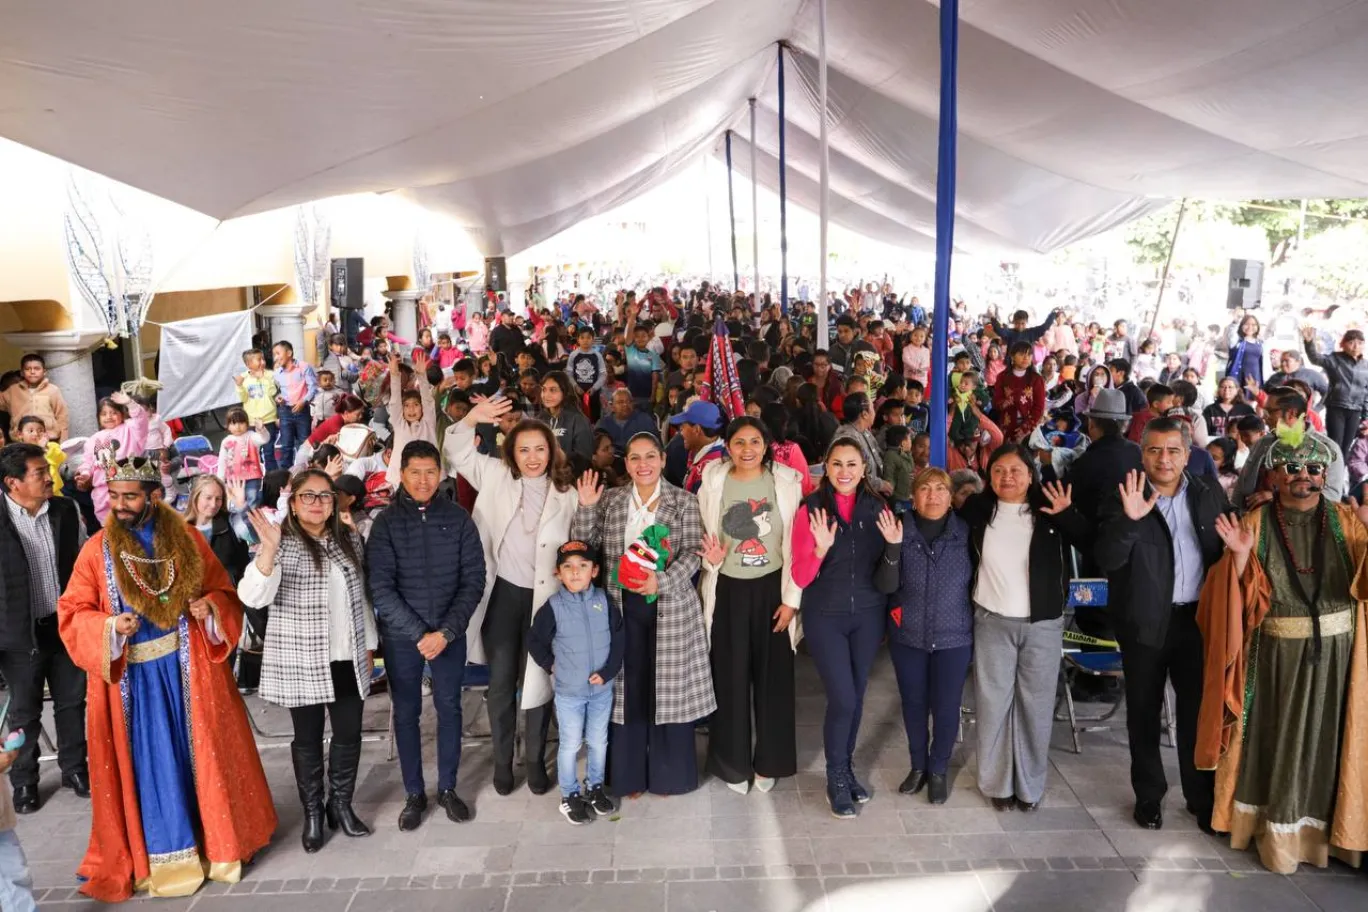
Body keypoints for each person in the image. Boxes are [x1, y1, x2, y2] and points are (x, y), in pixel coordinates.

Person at [56, 456, 276, 902]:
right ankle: (164, 856)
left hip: (187, 672)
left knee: (203, 757)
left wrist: (209, 608)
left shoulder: (188, 539)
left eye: (129, 497)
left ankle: (218, 847)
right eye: (113, 496)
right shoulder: (95, 550)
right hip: (132, 681)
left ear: (153, 496)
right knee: (152, 766)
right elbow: (73, 611)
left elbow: (223, 590)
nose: (118, 505)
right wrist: (109, 628)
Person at [1198, 427, 1368, 873]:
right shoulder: (1255, 522)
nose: (1305, 477)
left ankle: (1329, 836)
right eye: (1293, 468)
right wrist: (1236, 558)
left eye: (1314, 469)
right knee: (1278, 740)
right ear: (1274, 473)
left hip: (1339, 657)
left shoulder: (1346, 519)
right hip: (1274, 659)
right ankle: (1278, 836)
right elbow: (1239, 595)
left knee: (1330, 743)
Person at [1094, 419, 1231, 833]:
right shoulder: (1125, 494)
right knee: (1143, 713)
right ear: (1143, 454)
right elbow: (1107, 558)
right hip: (1144, 623)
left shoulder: (1208, 493)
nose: (1164, 458)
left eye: (1172, 450)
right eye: (1154, 450)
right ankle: (1149, 797)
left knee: (1195, 713)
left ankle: (1200, 798)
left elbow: (1226, 549)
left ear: (1187, 455)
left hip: (1197, 621)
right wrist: (1131, 521)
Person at [445, 397, 578, 796]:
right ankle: (503, 763)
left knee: (539, 682)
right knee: (501, 683)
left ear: (552, 451)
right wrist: (471, 418)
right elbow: (457, 448)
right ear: (511, 452)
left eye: (540, 449)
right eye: (524, 450)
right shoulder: (495, 476)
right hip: (502, 594)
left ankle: (535, 762)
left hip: (547, 601)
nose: (533, 457)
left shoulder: (567, 493)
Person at [239, 470, 377, 851]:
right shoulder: (280, 541)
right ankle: (313, 813)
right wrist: (267, 549)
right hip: (302, 658)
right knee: (308, 738)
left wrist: (371, 644)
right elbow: (253, 597)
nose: (317, 503)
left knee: (349, 734)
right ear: (294, 504)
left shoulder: (348, 539)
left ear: (335, 502)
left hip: (346, 655)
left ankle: (341, 806)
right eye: (308, 496)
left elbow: (362, 598)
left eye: (324, 496)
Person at [571, 434, 714, 797]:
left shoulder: (684, 501)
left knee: (667, 690)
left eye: (650, 456)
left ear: (664, 460)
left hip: (670, 607)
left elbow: (694, 554)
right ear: (627, 463)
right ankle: (628, 776)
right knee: (627, 690)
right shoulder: (613, 501)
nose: (643, 464)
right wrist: (586, 508)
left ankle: (671, 775)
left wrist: (660, 582)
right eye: (635, 457)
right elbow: (584, 549)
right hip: (621, 607)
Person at [960, 444, 1086, 812]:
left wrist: (1068, 516)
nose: (1007, 477)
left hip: (1042, 625)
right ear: (989, 475)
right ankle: (997, 784)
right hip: (992, 622)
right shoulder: (978, 510)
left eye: (1016, 470)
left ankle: (1029, 787)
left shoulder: (1050, 511)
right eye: (998, 470)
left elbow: (1091, 541)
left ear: (1031, 474)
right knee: (993, 704)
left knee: (1035, 705)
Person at [368, 440, 486, 827]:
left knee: (450, 709)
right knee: (407, 712)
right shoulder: (385, 523)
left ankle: (449, 788)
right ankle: (414, 793)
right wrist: (421, 633)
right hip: (405, 638)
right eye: (415, 472)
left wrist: (447, 631)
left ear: (441, 474)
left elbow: (474, 580)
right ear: (401, 474)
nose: (423, 480)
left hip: (448, 635)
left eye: (430, 472)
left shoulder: (458, 518)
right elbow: (381, 588)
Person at [791, 439, 901, 816]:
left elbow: (888, 579)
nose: (844, 472)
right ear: (826, 466)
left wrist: (893, 547)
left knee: (855, 694)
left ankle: (846, 768)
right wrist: (820, 549)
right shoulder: (811, 509)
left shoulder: (877, 508)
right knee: (845, 698)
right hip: (825, 617)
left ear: (864, 467)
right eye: (836, 463)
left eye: (852, 464)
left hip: (868, 616)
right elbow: (801, 577)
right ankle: (836, 775)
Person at [697, 417, 804, 794]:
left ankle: (769, 762)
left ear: (766, 445)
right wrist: (710, 559)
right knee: (729, 679)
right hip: (727, 589)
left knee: (773, 680)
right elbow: (705, 536)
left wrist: (791, 601)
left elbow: (798, 547)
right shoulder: (713, 481)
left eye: (755, 442)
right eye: (739, 442)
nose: (747, 450)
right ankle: (732, 763)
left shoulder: (786, 483)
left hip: (773, 591)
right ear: (727, 446)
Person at [0, 443, 87, 815]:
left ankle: (75, 769)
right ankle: (24, 782)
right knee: (24, 712)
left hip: (65, 626)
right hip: (18, 635)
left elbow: (84, 562)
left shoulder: (65, 511)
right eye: (39, 473)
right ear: (12, 482)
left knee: (72, 702)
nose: (49, 478)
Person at [886, 467, 974, 805]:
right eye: (925, 488)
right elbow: (885, 583)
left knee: (947, 706)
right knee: (914, 703)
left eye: (941, 489)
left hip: (954, 636)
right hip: (908, 635)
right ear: (913, 495)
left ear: (951, 498)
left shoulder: (965, 533)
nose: (933, 496)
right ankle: (918, 766)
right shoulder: (897, 530)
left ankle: (939, 769)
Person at [527, 542, 623, 824]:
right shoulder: (554, 607)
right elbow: (534, 640)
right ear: (558, 574)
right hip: (569, 693)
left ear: (594, 571)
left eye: (582, 566)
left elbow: (619, 640)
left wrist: (608, 672)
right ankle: (569, 795)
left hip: (601, 691)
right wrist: (550, 664)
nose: (575, 572)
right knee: (569, 744)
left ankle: (594, 788)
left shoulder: (604, 602)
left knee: (598, 741)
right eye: (567, 567)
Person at [1232, 391, 1346, 509]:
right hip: (1253, 522)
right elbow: (1241, 488)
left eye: (1270, 412)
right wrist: (1235, 514)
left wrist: (1279, 498)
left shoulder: (1327, 448)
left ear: (1291, 413)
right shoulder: (1263, 443)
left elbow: (1331, 497)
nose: (1265, 418)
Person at [1303, 326, 1368, 460]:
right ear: (1342, 344)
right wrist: (1309, 343)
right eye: (1351, 342)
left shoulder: (1366, 365)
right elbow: (1315, 358)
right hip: (1336, 407)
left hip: (1355, 410)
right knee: (1335, 445)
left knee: (1346, 447)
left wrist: (1366, 415)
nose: (1355, 346)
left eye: (1360, 343)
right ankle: (1330, 475)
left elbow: (1366, 391)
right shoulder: (1335, 359)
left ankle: (1338, 477)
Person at [182, 475, 250, 584]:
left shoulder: (232, 521)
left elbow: (254, 536)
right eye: (208, 498)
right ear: (196, 497)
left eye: (218, 499)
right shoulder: (180, 528)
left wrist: (242, 506)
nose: (213, 504)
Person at [273, 340, 319, 470]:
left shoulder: (304, 366)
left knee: (304, 442)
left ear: (289, 353)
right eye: (274, 355)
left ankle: (305, 471)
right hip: (285, 411)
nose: (276, 357)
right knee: (286, 445)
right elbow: (277, 393)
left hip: (302, 410)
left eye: (278, 353)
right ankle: (285, 474)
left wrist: (303, 401)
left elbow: (313, 387)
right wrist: (279, 399)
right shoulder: (277, 373)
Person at [1, 354, 68, 441]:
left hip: (49, 440)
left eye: (37, 368)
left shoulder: (53, 390)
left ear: (44, 371)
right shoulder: (13, 390)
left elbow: (62, 417)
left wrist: (63, 443)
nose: (32, 372)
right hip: (21, 440)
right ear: (22, 372)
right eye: (28, 369)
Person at [236, 348, 281, 471]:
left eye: (263, 359)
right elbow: (243, 398)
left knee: (269, 451)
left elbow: (272, 392)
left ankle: (273, 477)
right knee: (253, 451)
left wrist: (265, 379)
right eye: (258, 360)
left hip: (268, 419)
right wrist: (239, 385)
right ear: (248, 364)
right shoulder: (244, 378)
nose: (262, 362)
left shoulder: (270, 375)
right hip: (251, 421)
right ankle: (255, 475)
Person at [536, 370, 595, 466]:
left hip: (568, 477)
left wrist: (561, 460)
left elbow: (584, 458)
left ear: (565, 391)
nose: (546, 395)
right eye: (544, 389)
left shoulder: (578, 420)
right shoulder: (539, 420)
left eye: (553, 390)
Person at [596, 388, 658, 457]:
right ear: (612, 406)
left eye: (629, 401)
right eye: (620, 402)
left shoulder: (645, 420)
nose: (625, 405)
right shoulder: (603, 423)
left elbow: (656, 446)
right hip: (612, 462)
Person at [1225, 314, 1265, 391]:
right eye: (1246, 324)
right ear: (1241, 326)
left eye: (1253, 325)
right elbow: (1231, 336)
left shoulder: (1261, 343)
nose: (1250, 327)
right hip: (1239, 376)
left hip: (1256, 376)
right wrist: (1235, 321)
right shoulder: (1237, 341)